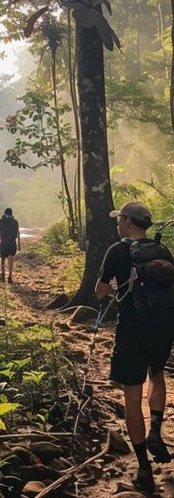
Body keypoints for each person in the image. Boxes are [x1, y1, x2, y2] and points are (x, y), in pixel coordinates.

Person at [95, 201, 174, 492]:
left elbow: (100, 291)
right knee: (158, 375)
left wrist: (114, 288)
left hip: (132, 331)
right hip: (164, 328)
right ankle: (156, 431)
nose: (118, 223)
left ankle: (143, 468)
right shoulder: (162, 251)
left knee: (132, 395)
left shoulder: (118, 251)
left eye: (120, 219)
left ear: (127, 221)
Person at [0, 207, 20, 283]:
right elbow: (16, 234)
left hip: (3, 242)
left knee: (3, 258)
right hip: (12, 242)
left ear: (5, 213)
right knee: (10, 257)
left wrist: (2, 237)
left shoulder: (1, 221)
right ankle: (10, 276)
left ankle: (3, 274)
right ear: (11, 214)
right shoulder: (15, 222)